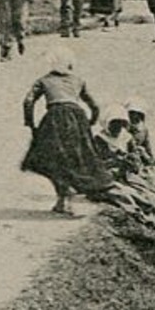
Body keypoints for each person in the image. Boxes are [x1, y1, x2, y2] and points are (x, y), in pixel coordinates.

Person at [20, 47, 114, 216]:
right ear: (70, 64)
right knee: (77, 157)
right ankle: (65, 200)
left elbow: (28, 101)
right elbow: (94, 105)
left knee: (49, 158)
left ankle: (64, 198)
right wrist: (90, 121)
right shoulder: (78, 80)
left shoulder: (43, 80)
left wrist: (30, 123)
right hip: (77, 118)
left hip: (54, 119)